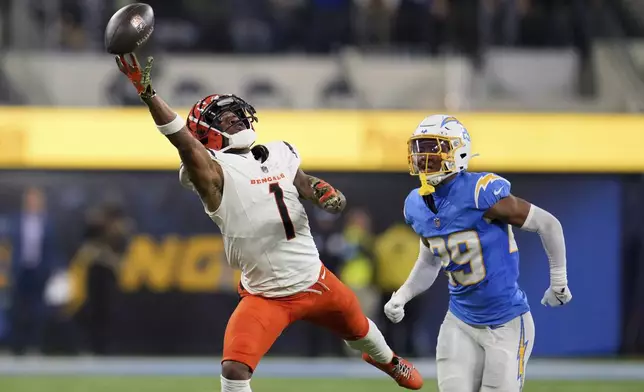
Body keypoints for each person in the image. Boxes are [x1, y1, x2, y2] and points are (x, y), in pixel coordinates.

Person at [114, 53, 423, 392]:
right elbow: (182, 142)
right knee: (234, 370)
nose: (233, 119)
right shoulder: (211, 173)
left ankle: (390, 362)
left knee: (362, 333)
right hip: (266, 295)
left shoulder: (278, 152)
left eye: (235, 114)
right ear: (207, 137)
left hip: (315, 279)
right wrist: (149, 95)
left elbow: (303, 183)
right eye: (224, 119)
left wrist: (323, 192)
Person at [383, 114, 573, 391]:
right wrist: (403, 294)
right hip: (459, 322)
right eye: (420, 147)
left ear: (458, 151)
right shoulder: (415, 205)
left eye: (434, 147)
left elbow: (548, 224)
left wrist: (559, 280)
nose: (424, 156)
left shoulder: (479, 192)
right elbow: (429, 261)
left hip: (506, 323)